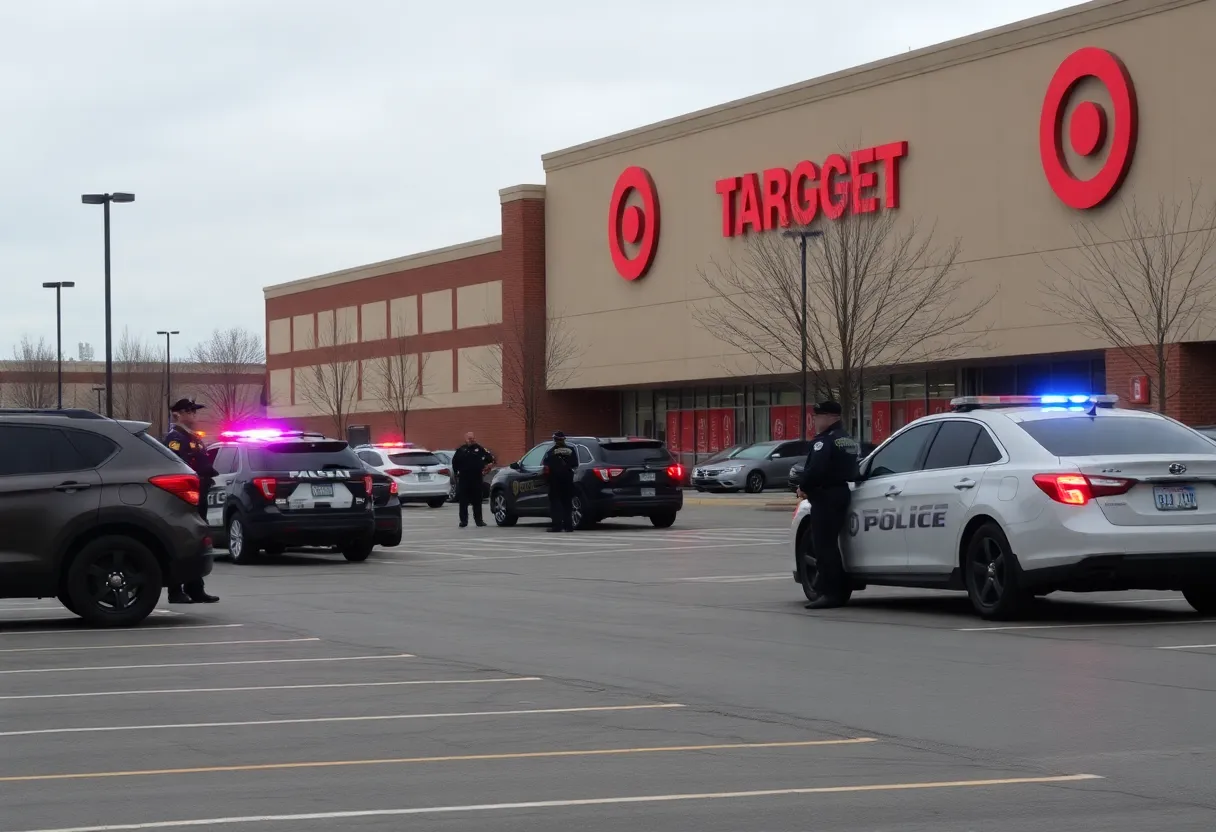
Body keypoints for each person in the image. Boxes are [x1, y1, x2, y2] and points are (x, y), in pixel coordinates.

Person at [796, 400, 859, 610]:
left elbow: (816, 469)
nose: (815, 420)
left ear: (830, 417)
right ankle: (836, 590)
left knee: (824, 546)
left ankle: (830, 593)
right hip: (841, 493)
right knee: (831, 544)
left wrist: (802, 485)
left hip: (826, 495)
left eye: (818, 416)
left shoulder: (823, 441)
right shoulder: (846, 439)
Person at [164, 398, 220, 604]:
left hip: (199, 495)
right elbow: (177, 466)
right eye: (189, 411)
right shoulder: (175, 438)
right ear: (178, 414)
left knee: (197, 541)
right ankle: (175, 590)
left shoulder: (193, 438)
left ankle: (196, 588)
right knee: (182, 540)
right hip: (184, 497)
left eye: (194, 412)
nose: (193, 415)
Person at [451, 431, 494, 527]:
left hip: (477, 478)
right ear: (465, 439)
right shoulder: (461, 450)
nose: (471, 440)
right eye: (469, 438)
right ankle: (463, 521)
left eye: (473, 438)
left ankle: (479, 520)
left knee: (477, 500)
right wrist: (456, 474)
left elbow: (490, 459)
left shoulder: (480, 449)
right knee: (463, 501)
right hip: (464, 479)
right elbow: (454, 463)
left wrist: (488, 467)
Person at [542, 431, 578, 532]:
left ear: (555, 440)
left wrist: (547, 480)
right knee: (567, 503)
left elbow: (546, 468)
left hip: (555, 481)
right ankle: (568, 526)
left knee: (555, 503)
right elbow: (575, 464)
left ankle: (557, 526)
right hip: (568, 480)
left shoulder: (550, 452)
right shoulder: (571, 450)